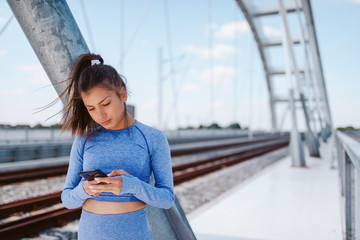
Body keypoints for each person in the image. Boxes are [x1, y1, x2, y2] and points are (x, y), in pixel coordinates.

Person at [60, 53, 175, 240]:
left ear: (122, 94)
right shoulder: (84, 139)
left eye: (106, 103)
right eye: (91, 108)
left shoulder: (153, 138)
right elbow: (67, 199)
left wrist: (131, 185)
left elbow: (167, 199)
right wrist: (86, 189)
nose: (100, 114)